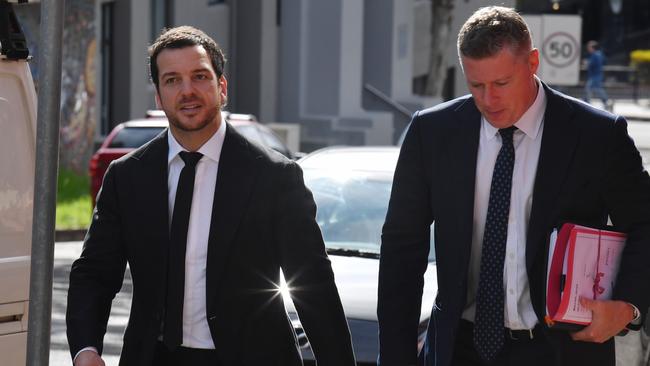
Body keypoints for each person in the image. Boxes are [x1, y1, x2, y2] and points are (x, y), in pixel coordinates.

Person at [66, 26, 356, 366]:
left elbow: (313, 283)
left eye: (200, 76)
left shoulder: (274, 176)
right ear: (159, 97)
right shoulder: (127, 176)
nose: (187, 91)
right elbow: (95, 274)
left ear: (222, 88)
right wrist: (85, 350)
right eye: (172, 80)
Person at [378, 6, 650, 366]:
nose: (489, 100)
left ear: (533, 62)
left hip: (559, 351)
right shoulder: (432, 133)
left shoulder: (597, 136)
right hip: (458, 348)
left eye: (501, 83)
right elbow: (402, 249)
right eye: (476, 85)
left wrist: (627, 307)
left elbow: (645, 223)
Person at [584, 40, 612, 111]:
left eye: (589, 47)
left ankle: (606, 101)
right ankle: (606, 101)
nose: (588, 49)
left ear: (592, 47)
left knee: (594, 89)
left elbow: (591, 64)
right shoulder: (599, 54)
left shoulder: (595, 55)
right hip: (597, 75)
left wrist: (586, 62)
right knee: (594, 89)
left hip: (595, 76)